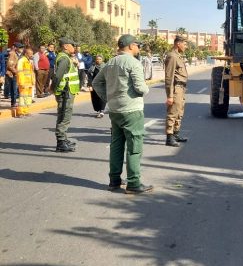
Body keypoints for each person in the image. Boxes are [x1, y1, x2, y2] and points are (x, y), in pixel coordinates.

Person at [92, 34, 152, 194]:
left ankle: (114, 180)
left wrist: (108, 97)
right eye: (137, 45)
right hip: (132, 110)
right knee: (134, 147)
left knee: (116, 146)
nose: (139, 48)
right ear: (131, 46)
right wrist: (147, 89)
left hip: (115, 110)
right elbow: (140, 88)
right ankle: (133, 183)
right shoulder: (133, 63)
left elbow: (96, 82)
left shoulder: (110, 62)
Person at [51, 38, 79, 152]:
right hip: (65, 92)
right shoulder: (64, 58)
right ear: (66, 46)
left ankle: (64, 139)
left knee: (64, 115)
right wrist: (53, 88)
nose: (75, 47)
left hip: (67, 91)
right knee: (64, 117)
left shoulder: (66, 57)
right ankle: (61, 142)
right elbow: (58, 76)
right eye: (73, 45)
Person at [164, 35, 188, 147]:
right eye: (185, 44)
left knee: (179, 112)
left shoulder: (178, 56)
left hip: (182, 87)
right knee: (173, 112)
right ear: (178, 43)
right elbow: (169, 77)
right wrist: (170, 95)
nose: (186, 46)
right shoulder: (172, 56)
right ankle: (169, 137)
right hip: (176, 88)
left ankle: (176, 134)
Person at [16, 46, 35, 117]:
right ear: (26, 54)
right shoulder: (22, 61)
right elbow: (19, 72)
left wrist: (33, 81)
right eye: (31, 54)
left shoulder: (28, 61)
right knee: (22, 98)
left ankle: (26, 111)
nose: (32, 55)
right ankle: (21, 112)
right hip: (24, 83)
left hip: (29, 83)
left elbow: (31, 72)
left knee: (28, 97)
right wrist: (21, 83)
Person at [6, 43, 23, 117]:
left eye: (22, 48)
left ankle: (14, 103)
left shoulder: (20, 54)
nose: (21, 49)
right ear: (16, 48)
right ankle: (13, 103)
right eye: (20, 47)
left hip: (18, 74)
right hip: (12, 74)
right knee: (14, 90)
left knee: (15, 89)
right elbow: (10, 65)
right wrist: (17, 72)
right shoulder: (12, 54)